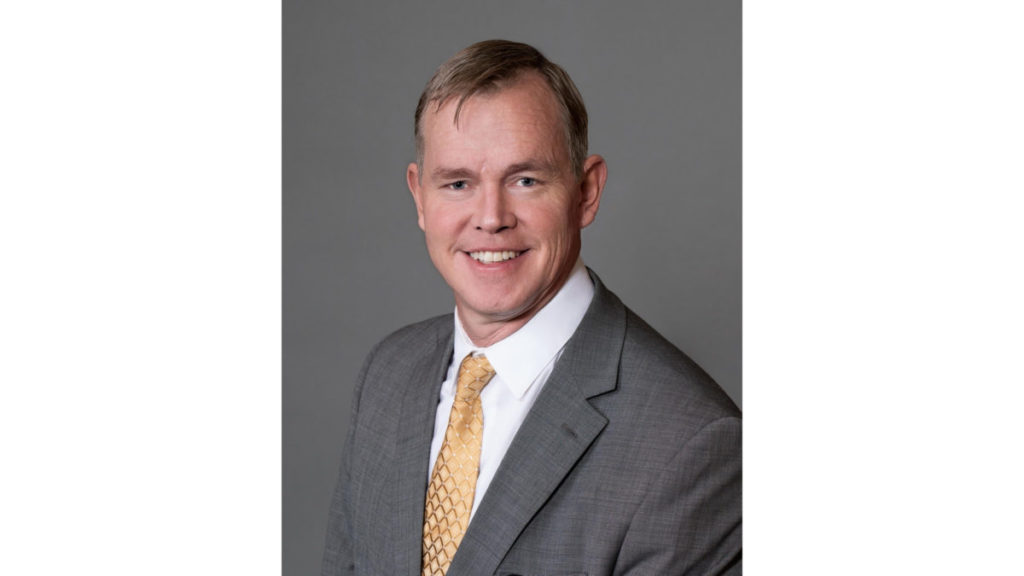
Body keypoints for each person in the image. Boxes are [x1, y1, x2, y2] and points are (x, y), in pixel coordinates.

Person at [322, 39, 741, 576]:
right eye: (457, 183)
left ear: (586, 192)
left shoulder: (692, 446)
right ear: (419, 198)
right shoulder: (388, 375)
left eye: (525, 180)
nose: (491, 217)